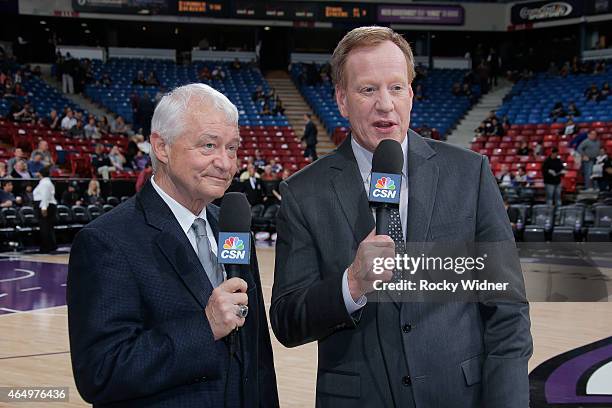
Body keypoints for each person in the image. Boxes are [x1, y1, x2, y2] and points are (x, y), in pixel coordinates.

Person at [270, 26, 531, 408]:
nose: (385, 104)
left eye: (396, 87)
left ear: (411, 94)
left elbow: (507, 310)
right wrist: (352, 284)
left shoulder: (469, 173)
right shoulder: (303, 192)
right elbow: (287, 320)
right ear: (342, 99)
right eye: (367, 89)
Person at [67, 83, 278, 407]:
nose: (226, 163)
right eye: (209, 145)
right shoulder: (106, 242)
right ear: (162, 147)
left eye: (232, 148)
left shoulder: (233, 227)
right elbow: (101, 372)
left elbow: (255, 354)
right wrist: (204, 328)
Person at [33, 166, 57, 253]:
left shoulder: (45, 183)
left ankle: (47, 247)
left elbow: (45, 196)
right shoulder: (46, 182)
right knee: (47, 227)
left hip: (45, 206)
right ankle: (50, 245)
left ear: (40, 173)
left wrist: (44, 208)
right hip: (48, 205)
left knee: (45, 227)